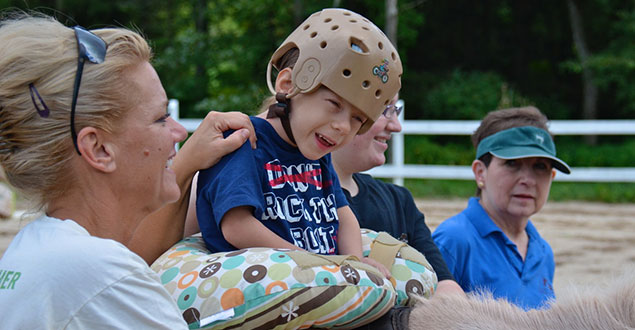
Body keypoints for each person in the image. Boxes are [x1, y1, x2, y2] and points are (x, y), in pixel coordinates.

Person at [0, 13, 256, 328]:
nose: (179, 132)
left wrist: (188, 163)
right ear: (98, 149)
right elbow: (115, 273)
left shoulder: (37, 248)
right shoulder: (98, 273)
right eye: (161, 118)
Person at [195, 8, 401, 276]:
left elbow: (343, 214)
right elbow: (236, 226)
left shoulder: (317, 155)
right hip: (266, 287)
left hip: (318, 282)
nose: (342, 126)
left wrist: (352, 262)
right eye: (334, 104)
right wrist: (314, 263)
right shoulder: (245, 141)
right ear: (288, 84)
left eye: (357, 119)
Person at [432, 106, 571, 310]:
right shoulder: (454, 241)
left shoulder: (542, 252)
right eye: (512, 163)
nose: (528, 180)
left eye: (540, 166)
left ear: (552, 178)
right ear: (480, 172)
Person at [331, 94, 465, 296]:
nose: (396, 126)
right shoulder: (296, 198)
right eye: (385, 108)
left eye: (396, 110)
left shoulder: (399, 201)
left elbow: (445, 285)